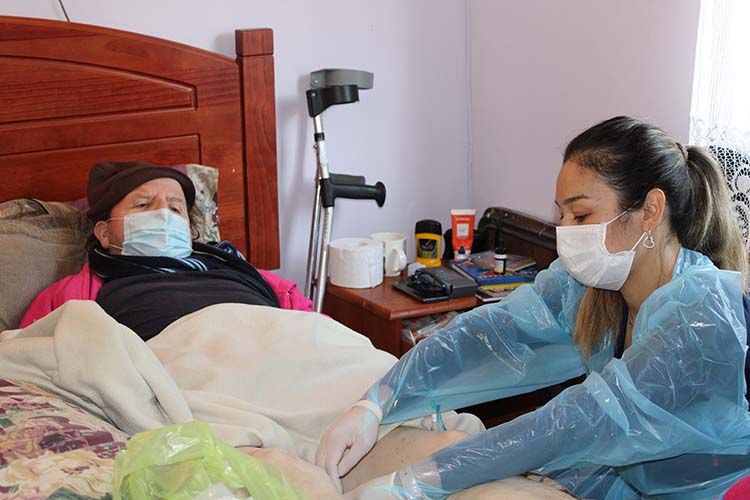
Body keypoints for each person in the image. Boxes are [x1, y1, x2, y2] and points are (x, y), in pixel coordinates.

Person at [316, 116, 750, 499]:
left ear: (650, 211)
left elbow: (581, 419)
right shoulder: (593, 288)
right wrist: (375, 404)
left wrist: (417, 482)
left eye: (581, 216)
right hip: (627, 478)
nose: (566, 233)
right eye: (561, 216)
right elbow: (488, 336)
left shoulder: (701, 318)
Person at [19, 161, 313, 338]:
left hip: (277, 350)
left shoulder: (239, 269)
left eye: (175, 208)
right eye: (143, 204)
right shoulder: (73, 295)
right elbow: (29, 353)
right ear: (105, 233)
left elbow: (313, 329)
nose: (163, 214)